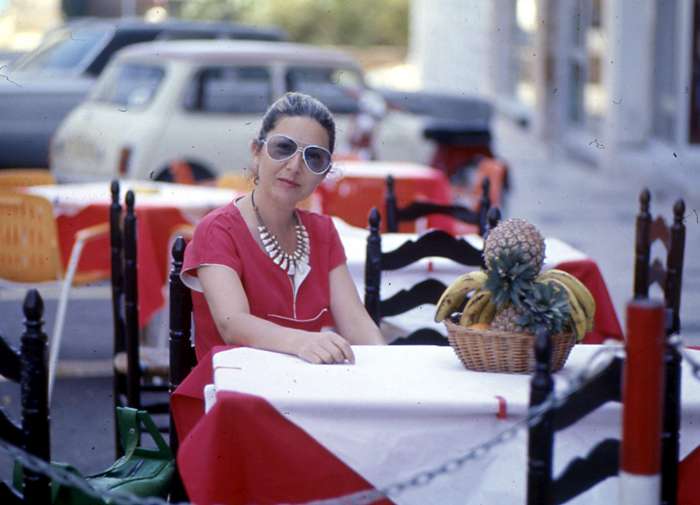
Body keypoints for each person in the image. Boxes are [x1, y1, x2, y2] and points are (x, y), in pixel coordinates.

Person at [182, 92, 384, 364]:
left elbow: (356, 323)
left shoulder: (322, 231)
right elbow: (233, 324)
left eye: (314, 158)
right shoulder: (217, 229)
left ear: (324, 173)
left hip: (304, 382)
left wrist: (386, 365)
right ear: (256, 152)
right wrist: (303, 342)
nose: (295, 166)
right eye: (283, 148)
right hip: (231, 383)